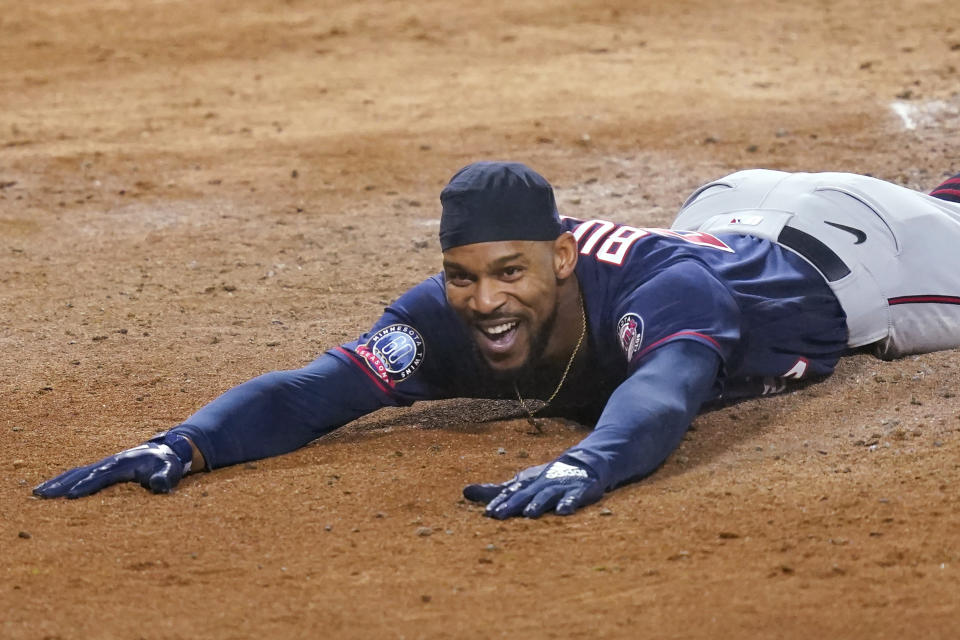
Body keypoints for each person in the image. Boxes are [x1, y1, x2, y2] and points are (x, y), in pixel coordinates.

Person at [33, 162, 960, 519]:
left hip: (861, 250)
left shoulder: (659, 293)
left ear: (562, 256)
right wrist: (184, 440)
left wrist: (587, 462)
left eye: (512, 273)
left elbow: (666, 392)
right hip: (729, 203)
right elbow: (316, 390)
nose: (486, 302)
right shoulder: (438, 322)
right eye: (465, 277)